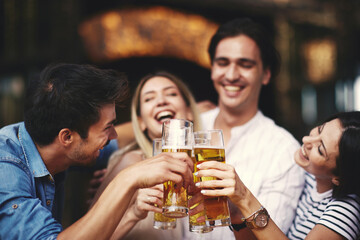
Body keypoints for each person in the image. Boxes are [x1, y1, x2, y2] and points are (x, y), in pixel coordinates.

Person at [0, 63, 194, 240]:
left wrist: (191, 114)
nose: (115, 135)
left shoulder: (51, 138)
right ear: (67, 137)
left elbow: (118, 139)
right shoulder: (6, 171)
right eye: (108, 127)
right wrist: (127, 179)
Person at [190, 17, 305, 239]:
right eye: (223, 63)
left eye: (245, 64)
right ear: (212, 69)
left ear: (266, 74)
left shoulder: (284, 149)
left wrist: (239, 205)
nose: (231, 75)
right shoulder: (189, 126)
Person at [195, 111, 360, 239]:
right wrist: (237, 214)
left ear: (339, 178)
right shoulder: (308, 177)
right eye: (319, 129)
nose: (307, 140)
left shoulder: (346, 211)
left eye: (320, 149)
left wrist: (244, 197)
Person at [90, 71, 202, 239]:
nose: (161, 101)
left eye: (171, 94)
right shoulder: (131, 162)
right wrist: (133, 214)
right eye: (149, 98)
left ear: (190, 112)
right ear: (141, 122)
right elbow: (91, 234)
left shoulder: (204, 166)